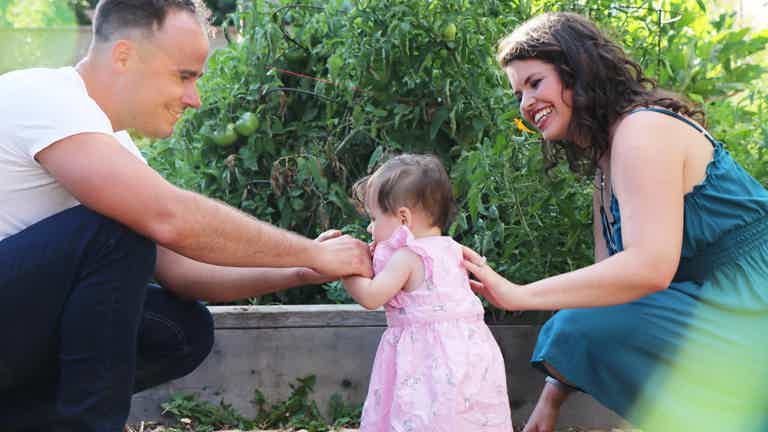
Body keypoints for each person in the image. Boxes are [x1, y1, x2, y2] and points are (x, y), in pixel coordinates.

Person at [0, 0, 372, 430]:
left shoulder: (111, 147)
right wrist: (311, 250)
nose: (194, 99)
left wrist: (303, 267)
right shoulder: (43, 98)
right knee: (114, 233)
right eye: (184, 76)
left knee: (181, 330)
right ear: (124, 56)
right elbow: (170, 218)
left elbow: (184, 271)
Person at [462, 11, 768, 432]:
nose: (527, 104)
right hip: (724, 317)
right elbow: (611, 292)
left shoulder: (643, 130)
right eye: (518, 94)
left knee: (573, 324)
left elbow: (649, 269)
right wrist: (549, 401)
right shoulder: (605, 175)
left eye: (535, 83)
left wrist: (517, 294)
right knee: (578, 326)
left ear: (576, 70)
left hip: (755, 305)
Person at [343, 154, 513, 432]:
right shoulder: (453, 249)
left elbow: (371, 296)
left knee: (420, 416)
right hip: (469, 360)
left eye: (374, 218)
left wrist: (347, 269)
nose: (369, 228)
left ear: (403, 218)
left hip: (425, 361)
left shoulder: (409, 257)